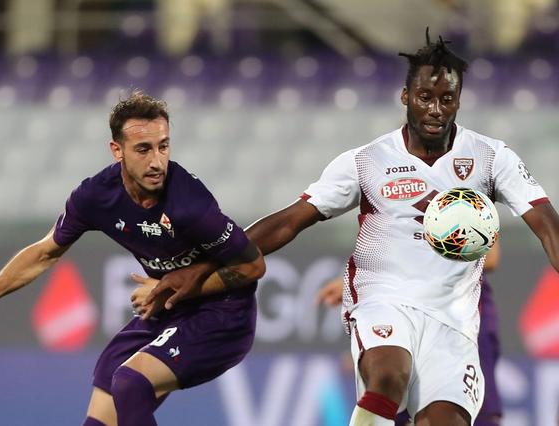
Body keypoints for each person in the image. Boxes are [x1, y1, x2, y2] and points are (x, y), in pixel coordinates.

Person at [143, 30, 559, 425]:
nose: (435, 109)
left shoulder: (491, 158)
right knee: (389, 375)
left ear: (459, 101)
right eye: (425, 97)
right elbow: (290, 221)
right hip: (384, 300)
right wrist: (204, 267)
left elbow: (545, 223)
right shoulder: (366, 161)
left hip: (454, 321)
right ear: (406, 96)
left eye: (447, 99)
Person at [0, 91, 266, 426]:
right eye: (143, 149)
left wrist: (174, 287)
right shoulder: (95, 196)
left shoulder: (190, 204)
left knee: (130, 381)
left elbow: (252, 266)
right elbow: (46, 251)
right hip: (166, 310)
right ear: (117, 150)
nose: (157, 161)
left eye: (163, 146)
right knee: (109, 384)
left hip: (224, 316)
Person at [317, 242, 503, 426]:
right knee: (392, 401)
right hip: (401, 308)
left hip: (458, 318)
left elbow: (490, 257)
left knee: (463, 415)